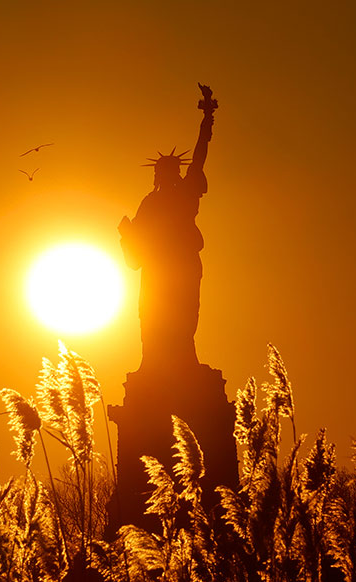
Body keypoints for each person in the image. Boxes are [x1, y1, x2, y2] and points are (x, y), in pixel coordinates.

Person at [119, 85, 216, 370]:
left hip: (182, 264)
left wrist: (207, 119)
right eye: (161, 171)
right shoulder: (149, 203)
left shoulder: (186, 194)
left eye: (169, 171)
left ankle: (184, 361)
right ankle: (153, 363)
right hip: (157, 267)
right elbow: (136, 244)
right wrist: (127, 235)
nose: (165, 176)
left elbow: (200, 156)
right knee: (151, 314)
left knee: (185, 314)